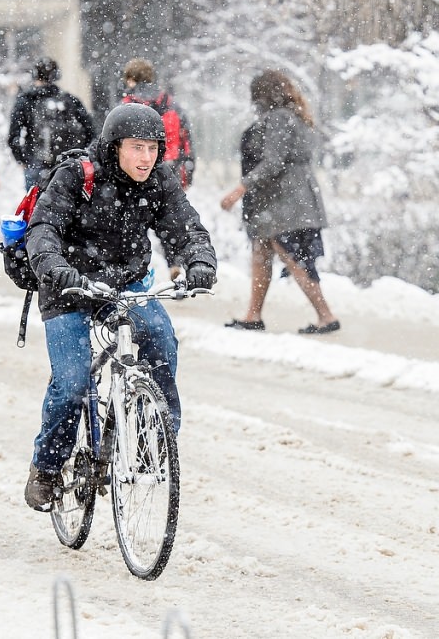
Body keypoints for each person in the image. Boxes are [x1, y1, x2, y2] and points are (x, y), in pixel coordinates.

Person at [22, 102, 217, 511]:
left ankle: (155, 439)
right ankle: (48, 466)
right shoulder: (76, 178)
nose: (146, 158)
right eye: (136, 148)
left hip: (126, 285)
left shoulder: (157, 181)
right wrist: (58, 269)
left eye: (153, 148)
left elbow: (185, 226)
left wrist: (199, 260)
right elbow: (42, 231)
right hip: (69, 289)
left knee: (161, 340)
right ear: (114, 147)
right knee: (73, 383)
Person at [220, 69, 339, 335]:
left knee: (293, 256)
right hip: (286, 200)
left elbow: (274, 162)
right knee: (261, 253)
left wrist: (240, 188)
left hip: (285, 203)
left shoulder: (278, 119)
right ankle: (253, 315)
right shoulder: (294, 116)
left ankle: (326, 316)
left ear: (261, 96)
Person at [7, 57, 96, 192]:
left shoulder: (26, 100)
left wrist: (21, 159)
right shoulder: (69, 100)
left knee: (35, 204)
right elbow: (90, 129)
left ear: (34, 74)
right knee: (61, 204)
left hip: (35, 161)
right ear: (56, 76)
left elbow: (13, 135)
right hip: (64, 163)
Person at [121, 58, 195, 189]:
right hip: (170, 173)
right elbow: (187, 143)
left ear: (131, 80)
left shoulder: (125, 106)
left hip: (135, 175)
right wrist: (187, 174)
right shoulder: (172, 104)